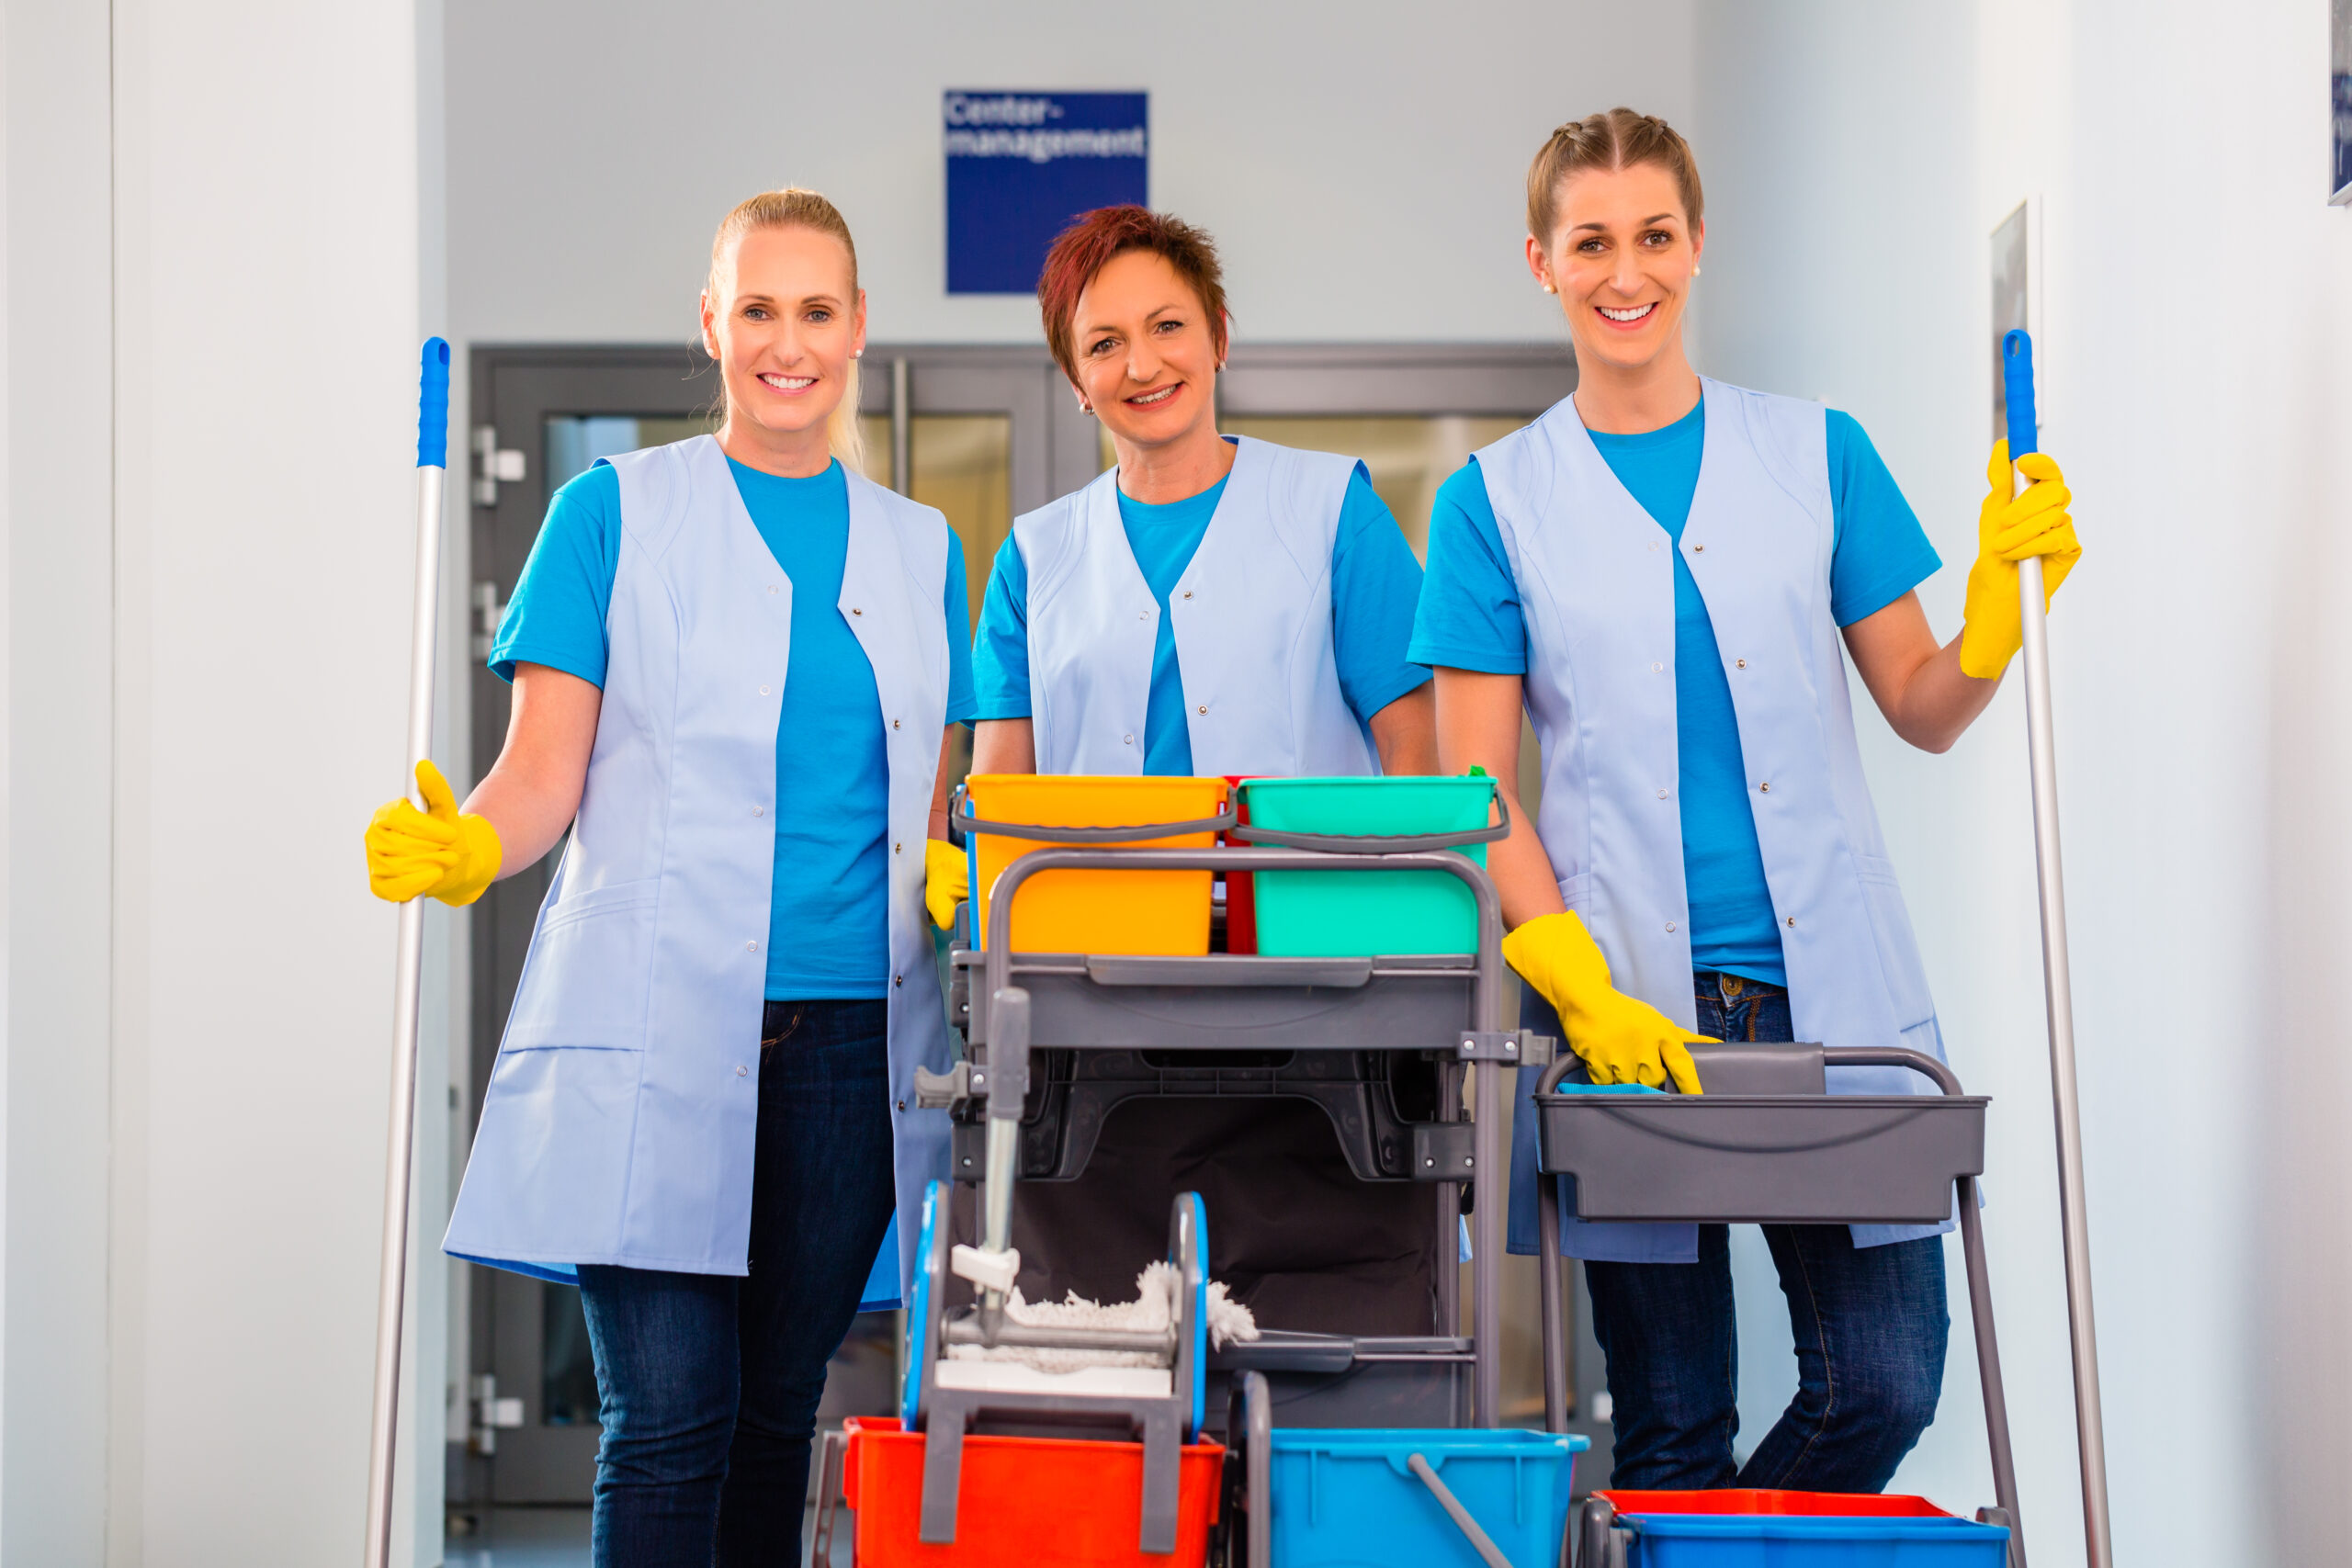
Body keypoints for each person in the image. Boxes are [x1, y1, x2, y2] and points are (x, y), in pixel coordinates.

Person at [1413, 110, 2079, 1489]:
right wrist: (1573, 979)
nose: (1626, 269)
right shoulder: (1494, 501)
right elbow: (1473, 786)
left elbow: (1921, 702)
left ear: (1697, 245)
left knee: (1884, 1380)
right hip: (1629, 1011)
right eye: (1591, 240)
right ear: (1540, 259)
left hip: (1832, 996)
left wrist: (1996, 628)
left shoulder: (1815, 453)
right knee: (1670, 1424)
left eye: (1654, 234)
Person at [362, 188, 974, 1566]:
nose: (787, 341)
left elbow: (931, 802)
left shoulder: (919, 546)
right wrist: (469, 841)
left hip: (849, 1053)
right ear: (712, 322)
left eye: (816, 309)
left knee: (772, 1415)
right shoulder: (609, 515)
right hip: (653, 1030)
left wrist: (959, 873)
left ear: (857, 326)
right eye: (758, 307)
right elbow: (540, 776)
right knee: (669, 1413)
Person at [946, 205, 1445, 1333]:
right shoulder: (1035, 557)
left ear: (1219, 333)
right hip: (1094, 1022)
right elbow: (1000, 795)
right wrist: (972, 902)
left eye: (1167, 325)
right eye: (1104, 343)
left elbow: (1420, 771)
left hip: (1321, 1016)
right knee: (1094, 1369)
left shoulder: (1331, 515)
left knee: (1327, 1367)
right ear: (1076, 381)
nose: (1143, 362)